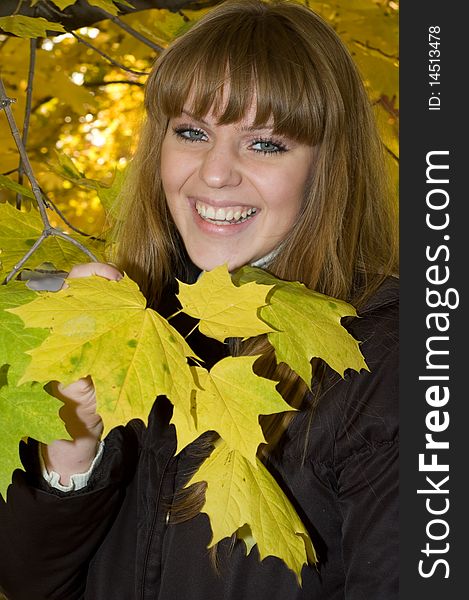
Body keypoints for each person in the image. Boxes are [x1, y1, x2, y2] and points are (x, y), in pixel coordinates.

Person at [0, 0, 399, 598]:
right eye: (192, 132)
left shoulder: (392, 361)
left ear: (326, 168)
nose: (215, 173)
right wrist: (73, 449)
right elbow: (31, 582)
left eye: (265, 144)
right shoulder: (134, 319)